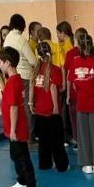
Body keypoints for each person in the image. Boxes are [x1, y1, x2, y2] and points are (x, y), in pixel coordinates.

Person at [0, 46, 37, 187]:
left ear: (7, 63)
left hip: (16, 128)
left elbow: (14, 107)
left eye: (0, 62)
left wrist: (13, 130)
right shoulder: (12, 80)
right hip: (11, 127)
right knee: (15, 155)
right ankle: (22, 181)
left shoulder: (14, 82)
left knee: (22, 156)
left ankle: (32, 186)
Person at [68, 30, 94, 174]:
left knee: (83, 135)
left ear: (79, 46)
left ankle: (87, 163)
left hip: (82, 103)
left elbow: (73, 83)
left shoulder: (75, 62)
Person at [32, 41, 67, 172]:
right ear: (50, 53)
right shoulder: (55, 70)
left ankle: (45, 164)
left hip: (40, 110)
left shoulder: (36, 71)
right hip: (51, 110)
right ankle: (61, 165)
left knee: (43, 141)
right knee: (57, 141)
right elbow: (53, 88)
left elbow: (32, 88)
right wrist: (56, 107)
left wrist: (32, 104)